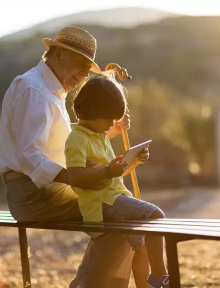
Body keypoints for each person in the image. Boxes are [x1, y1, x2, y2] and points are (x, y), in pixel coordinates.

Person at [0, 26, 138, 287]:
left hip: (43, 190)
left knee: (121, 213)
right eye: (81, 63)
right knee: (122, 213)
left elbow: (65, 145)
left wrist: (108, 132)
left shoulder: (48, 91)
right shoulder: (33, 90)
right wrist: (76, 178)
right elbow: (29, 155)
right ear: (58, 54)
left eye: (89, 67)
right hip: (33, 194)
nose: (85, 73)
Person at [65, 73, 170, 288]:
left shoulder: (99, 136)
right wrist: (108, 171)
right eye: (109, 118)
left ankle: (147, 285)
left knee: (140, 246)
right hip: (102, 204)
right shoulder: (77, 139)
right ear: (93, 111)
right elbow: (75, 178)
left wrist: (134, 162)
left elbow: (113, 174)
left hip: (113, 197)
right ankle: (160, 277)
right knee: (155, 215)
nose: (112, 124)